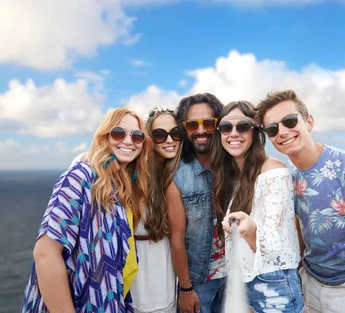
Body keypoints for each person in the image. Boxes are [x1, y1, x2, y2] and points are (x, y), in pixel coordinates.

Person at [255, 90, 345, 313]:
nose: (282, 132)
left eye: (289, 121)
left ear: (309, 122)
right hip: (309, 284)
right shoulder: (287, 174)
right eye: (273, 129)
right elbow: (299, 222)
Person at [21, 108, 151, 312]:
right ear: (104, 136)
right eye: (118, 133)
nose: (128, 141)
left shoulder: (119, 187)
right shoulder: (81, 176)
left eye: (137, 136)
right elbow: (46, 253)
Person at [211, 101, 304, 313]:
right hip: (241, 282)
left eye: (243, 126)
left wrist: (249, 228)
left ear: (255, 132)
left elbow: (272, 246)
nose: (233, 133)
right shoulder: (231, 175)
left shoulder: (273, 171)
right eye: (226, 127)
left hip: (273, 282)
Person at [166, 93, 226, 313]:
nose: (201, 130)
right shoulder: (178, 177)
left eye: (209, 123)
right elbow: (177, 238)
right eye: (192, 125)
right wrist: (185, 289)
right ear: (184, 129)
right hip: (201, 283)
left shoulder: (233, 167)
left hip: (235, 279)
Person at [130, 106, 182, 313]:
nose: (169, 140)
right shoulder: (133, 171)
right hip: (137, 263)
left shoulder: (178, 172)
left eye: (175, 133)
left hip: (163, 263)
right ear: (150, 137)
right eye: (160, 134)